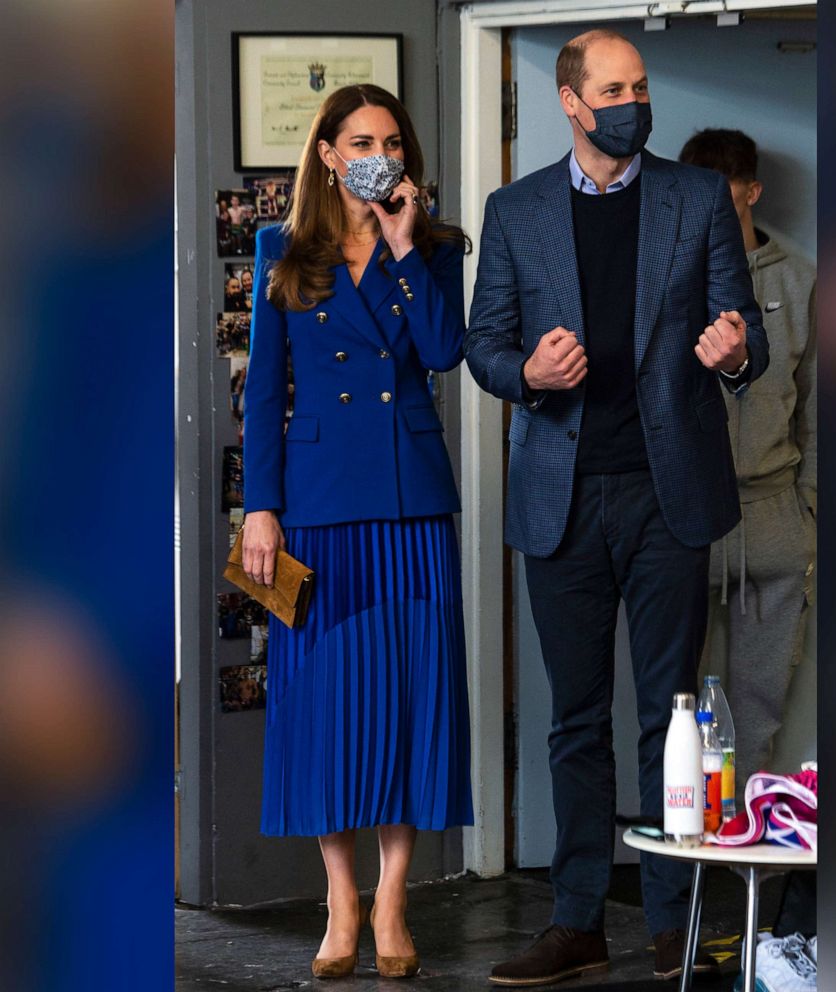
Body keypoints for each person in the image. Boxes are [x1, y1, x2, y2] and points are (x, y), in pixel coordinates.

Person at [465, 30, 768, 987]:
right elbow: (483, 344)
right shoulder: (515, 210)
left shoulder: (696, 196)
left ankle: (676, 925)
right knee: (576, 719)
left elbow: (744, 329)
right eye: (613, 88)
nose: (633, 100)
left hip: (667, 492)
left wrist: (734, 354)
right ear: (570, 100)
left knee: (672, 717)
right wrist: (527, 374)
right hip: (559, 495)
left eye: (640, 85)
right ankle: (578, 920)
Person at [241, 83, 473, 981]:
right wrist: (260, 506)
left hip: (412, 502)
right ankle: (340, 899)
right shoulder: (281, 248)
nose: (381, 151)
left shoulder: (438, 247)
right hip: (317, 506)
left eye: (393, 140)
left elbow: (447, 352)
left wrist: (407, 246)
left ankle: (392, 898)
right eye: (362, 139)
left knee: (410, 697)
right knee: (328, 707)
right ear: (330, 154)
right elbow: (263, 396)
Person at [678, 129, 816, 798]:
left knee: (761, 702)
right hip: (687, 516)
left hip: (775, 513)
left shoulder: (801, 281)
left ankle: (745, 839)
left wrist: (809, 507)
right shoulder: (667, 279)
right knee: (681, 704)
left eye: (724, 206)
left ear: (752, 194)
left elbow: (823, 405)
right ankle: (692, 844)